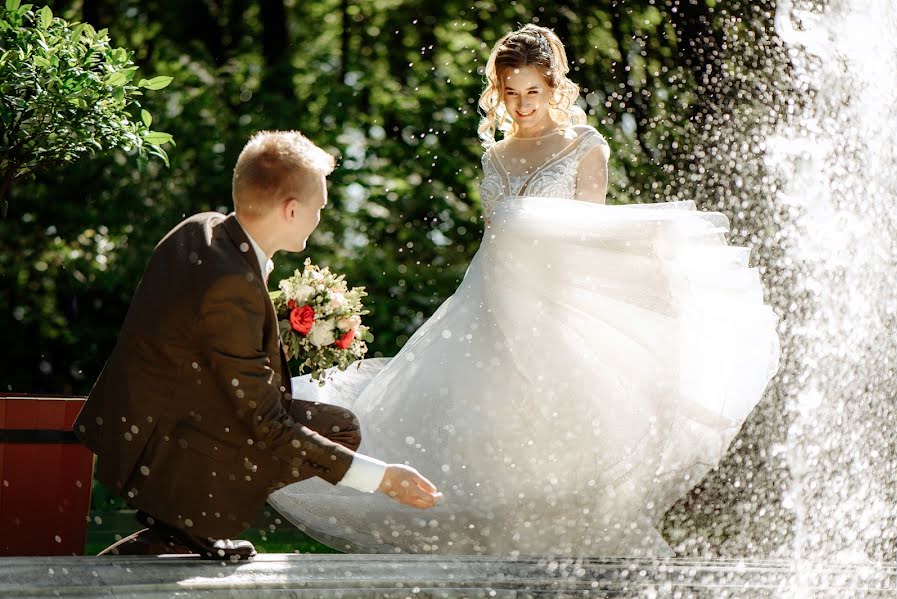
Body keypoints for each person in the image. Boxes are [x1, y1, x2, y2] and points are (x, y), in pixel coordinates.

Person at [269, 25, 780, 557]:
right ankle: (492, 542)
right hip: (490, 299)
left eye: (532, 92)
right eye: (510, 92)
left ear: (554, 86)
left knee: (557, 417)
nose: (521, 104)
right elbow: (492, 235)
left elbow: (591, 235)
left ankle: (557, 537)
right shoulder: (495, 155)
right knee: (472, 419)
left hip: (557, 301)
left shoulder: (586, 148)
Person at [73, 131, 442, 561]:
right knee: (324, 432)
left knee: (335, 424)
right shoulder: (232, 285)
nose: (320, 218)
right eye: (318, 208)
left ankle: (174, 529)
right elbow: (267, 423)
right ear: (290, 210)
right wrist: (382, 479)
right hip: (168, 447)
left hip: (144, 426)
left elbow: (199, 345)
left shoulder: (203, 228)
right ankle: (191, 517)